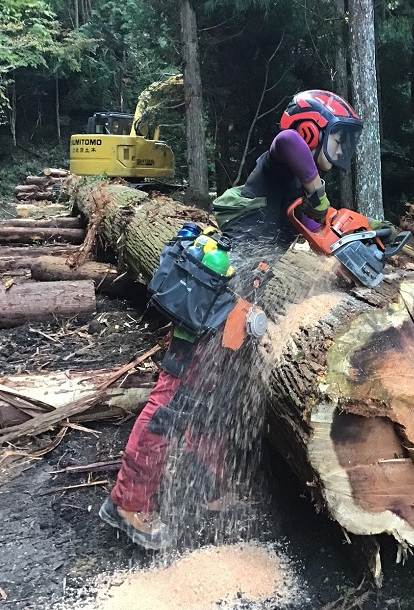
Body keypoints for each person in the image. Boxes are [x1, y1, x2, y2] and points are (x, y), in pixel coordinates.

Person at [99, 89, 364, 550]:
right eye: (336, 139)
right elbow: (287, 142)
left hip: (239, 308)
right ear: (312, 130)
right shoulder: (283, 160)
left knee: (219, 397)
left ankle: (211, 491)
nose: (340, 151)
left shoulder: (291, 190)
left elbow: (312, 237)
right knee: (174, 399)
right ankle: (128, 503)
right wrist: (316, 191)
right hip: (212, 303)